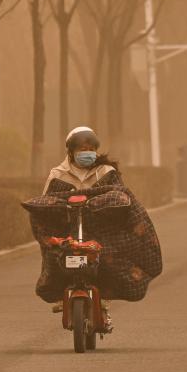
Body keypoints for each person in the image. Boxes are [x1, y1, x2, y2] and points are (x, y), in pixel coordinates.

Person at [27, 126, 163, 327]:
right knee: (55, 255)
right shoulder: (58, 174)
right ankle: (60, 295)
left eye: (91, 148)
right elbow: (47, 202)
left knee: (111, 257)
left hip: (102, 230)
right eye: (82, 149)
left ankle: (104, 298)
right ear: (71, 151)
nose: (87, 153)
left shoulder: (106, 172)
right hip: (69, 229)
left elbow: (122, 198)